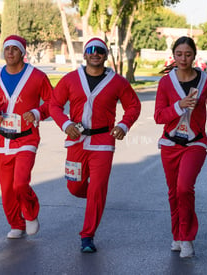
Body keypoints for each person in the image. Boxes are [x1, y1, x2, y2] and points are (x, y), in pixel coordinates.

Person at [49, 37, 141, 253]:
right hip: (76, 140)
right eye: (91, 50)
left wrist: (125, 125)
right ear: (85, 54)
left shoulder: (118, 82)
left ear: (105, 55)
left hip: (103, 143)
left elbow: (133, 106)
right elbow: (54, 105)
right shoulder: (71, 79)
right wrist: (65, 123)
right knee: (75, 186)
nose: (95, 53)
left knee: (98, 187)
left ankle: (87, 236)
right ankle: (92, 197)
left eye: (100, 50)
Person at [154, 36, 207, 258]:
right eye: (179, 54)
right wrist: (178, 106)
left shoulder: (206, 80)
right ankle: (177, 235)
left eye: (188, 54)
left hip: (196, 143)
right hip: (170, 143)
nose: (183, 58)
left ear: (195, 55)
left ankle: (187, 238)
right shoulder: (165, 83)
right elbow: (158, 116)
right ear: (173, 56)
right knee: (173, 192)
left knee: (185, 188)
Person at [0, 35, 52, 239]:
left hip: (27, 138)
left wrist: (37, 113)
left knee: (20, 183)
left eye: (14, 49)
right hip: (3, 140)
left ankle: (30, 214)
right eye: (7, 49)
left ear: (22, 52)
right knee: (7, 190)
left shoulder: (37, 77)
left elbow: (52, 102)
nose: (10, 52)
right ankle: (16, 224)